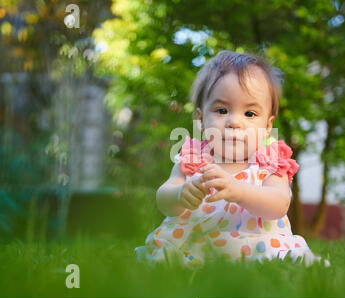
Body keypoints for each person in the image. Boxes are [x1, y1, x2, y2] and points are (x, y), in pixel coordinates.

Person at [135, 50, 330, 268]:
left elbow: (279, 204)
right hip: (197, 245)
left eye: (250, 114)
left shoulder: (270, 163)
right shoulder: (193, 160)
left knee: (292, 259)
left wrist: (239, 191)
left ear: (267, 126)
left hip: (259, 246)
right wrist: (181, 194)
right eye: (221, 110)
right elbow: (164, 199)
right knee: (167, 261)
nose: (234, 122)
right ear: (200, 119)